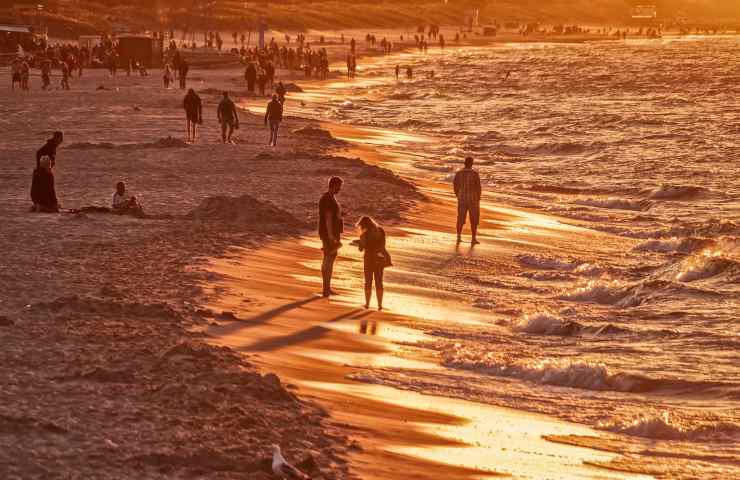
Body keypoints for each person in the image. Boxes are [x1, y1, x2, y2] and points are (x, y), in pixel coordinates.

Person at [356, 216, 391, 310]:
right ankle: (379, 305)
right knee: (379, 282)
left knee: (368, 282)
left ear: (363, 225)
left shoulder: (364, 234)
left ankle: (367, 304)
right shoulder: (381, 231)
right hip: (379, 259)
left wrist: (358, 243)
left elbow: (361, 248)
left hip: (368, 259)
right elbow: (383, 246)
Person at [318, 177, 344, 297]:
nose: (340, 189)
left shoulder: (329, 198)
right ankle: (326, 289)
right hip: (329, 234)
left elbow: (332, 216)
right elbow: (328, 218)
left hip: (330, 233)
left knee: (330, 258)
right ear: (334, 185)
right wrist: (331, 236)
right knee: (328, 258)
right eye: (339, 186)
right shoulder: (328, 199)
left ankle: (327, 287)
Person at [453, 156, 482, 245]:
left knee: (460, 217)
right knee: (474, 219)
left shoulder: (459, 173)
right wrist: (478, 197)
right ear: (472, 163)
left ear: (464, 163)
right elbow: (478, 187)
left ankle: (458, 236)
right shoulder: (475, 174)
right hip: (473, 198)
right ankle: (473, 238)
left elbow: (455, 186)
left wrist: (458, 195)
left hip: (462, 198)